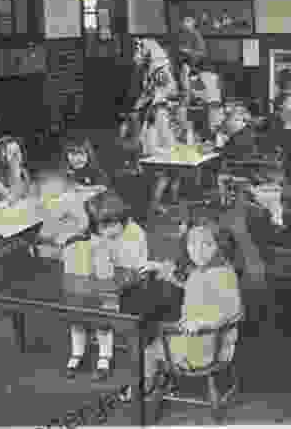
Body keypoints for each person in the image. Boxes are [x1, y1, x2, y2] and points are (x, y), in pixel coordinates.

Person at [117, 219, 242, 400]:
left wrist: (202, 323)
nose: (197, 250)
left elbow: (232, 310)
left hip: (207, 344)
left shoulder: (223, 276)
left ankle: (146, 387)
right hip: (204, 338)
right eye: (192, 244)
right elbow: (188, 282)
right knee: (161, 331)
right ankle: (161, 380)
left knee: (149, 348)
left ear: (221, 246)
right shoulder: (206, 270)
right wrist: (160, 267)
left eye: (207, 244)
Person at [66, 191, 149, 381]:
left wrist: (105, 254)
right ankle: (77, 351)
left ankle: (105, 355)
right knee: (76, 301)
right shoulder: (97, 231)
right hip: (103, 282)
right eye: (101, 227)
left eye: (111, 225)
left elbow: (132, 270)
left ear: (121, 218)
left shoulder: (135, 234)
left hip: (131, 287)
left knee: (101, 305)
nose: (106, 231)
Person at [216, 107, 286, 229]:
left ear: (241, 121)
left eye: (231, 120)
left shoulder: (240, 137)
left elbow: (228, 154)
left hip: (245, 171)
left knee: (218, 173)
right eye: (228, 119)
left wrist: (218, 148)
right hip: (258, 171)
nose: (227, 122)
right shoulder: (246, 133)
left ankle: (224, 205)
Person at [139, 102, 181, 215]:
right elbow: (153, 150)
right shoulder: (152, 129)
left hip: (158, 161)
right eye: (161, 115)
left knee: (175, 171)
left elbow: (172, 144)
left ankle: (173, 199)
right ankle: (154, 204)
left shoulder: (162, 129)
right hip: (147, 162)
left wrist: (169, 133)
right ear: (154, 116)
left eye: (166, 116)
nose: (164, 118)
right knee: (163, 177)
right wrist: (168, 151)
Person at [175, 13, 207, 104]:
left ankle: (194, 97)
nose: (185, 23)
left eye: (188, 21)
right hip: (179, 63)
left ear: (193, 23)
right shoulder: (179, 35)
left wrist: (188, 51)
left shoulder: (196, 35)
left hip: (193, 64)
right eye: (184, 21)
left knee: (190, 76)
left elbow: (202, 53)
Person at [0, 136, 32, 202]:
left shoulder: (11, 146)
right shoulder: (2, 146)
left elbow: (10, 158)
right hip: (11, 163)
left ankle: (19, 194)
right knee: (14, 178)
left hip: (14, 163)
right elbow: (6, 158)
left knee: (16, 177)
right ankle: (15, 194)